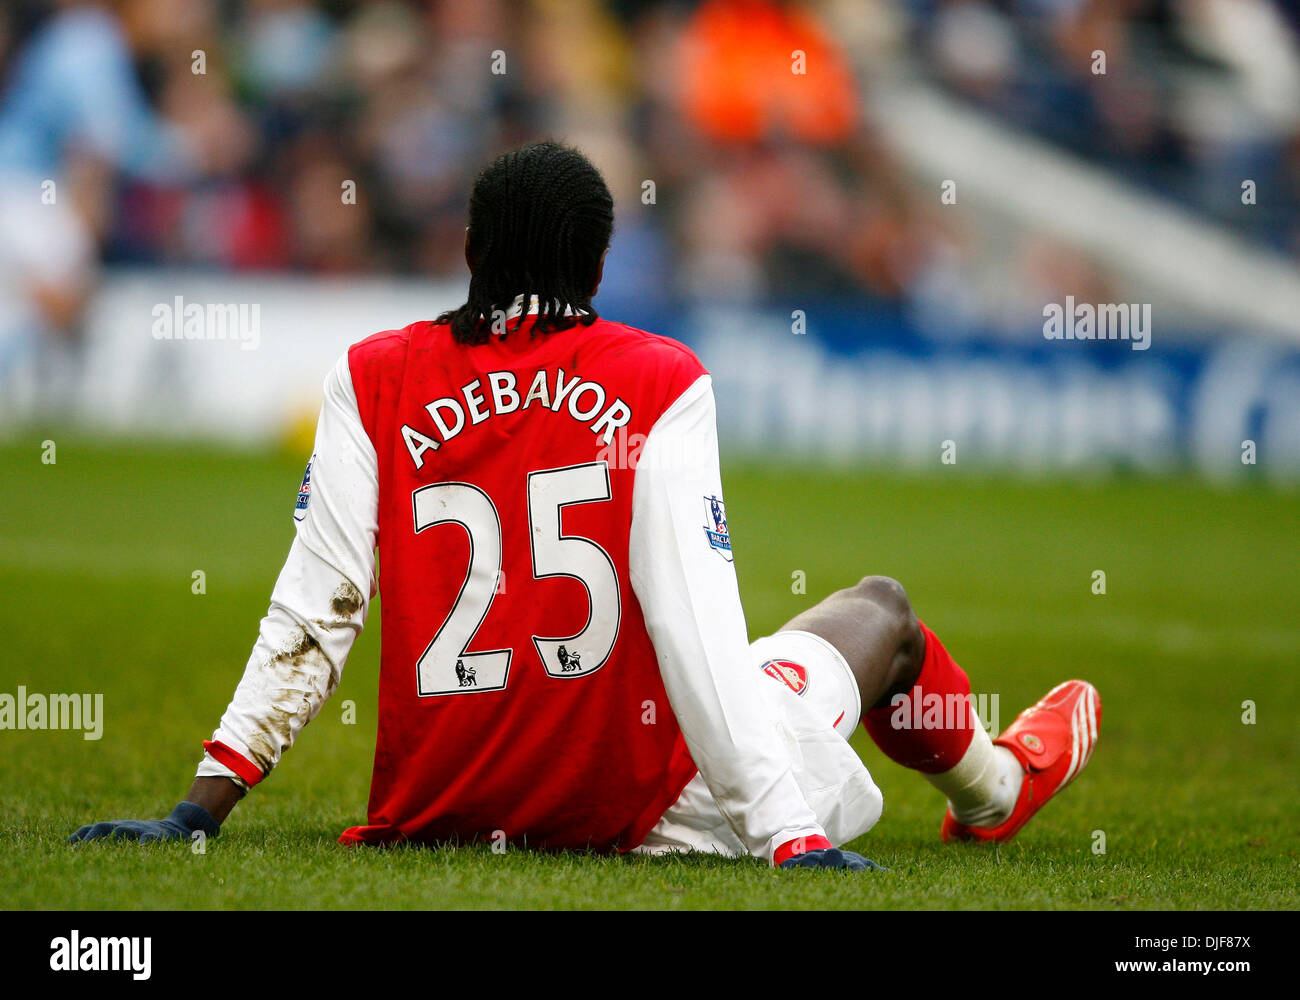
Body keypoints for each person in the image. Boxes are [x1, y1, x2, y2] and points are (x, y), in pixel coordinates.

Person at [71, 142, 1101, 868]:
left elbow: (320, 606)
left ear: (470, 250)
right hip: (647, 807)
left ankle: (990, 785)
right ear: (599, 266)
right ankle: (997, 789)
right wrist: (787, 832)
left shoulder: (370, 375)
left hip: (445, 808)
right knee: (880, 609)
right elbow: (691, 622)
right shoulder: (659, 378)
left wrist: (195, 813)